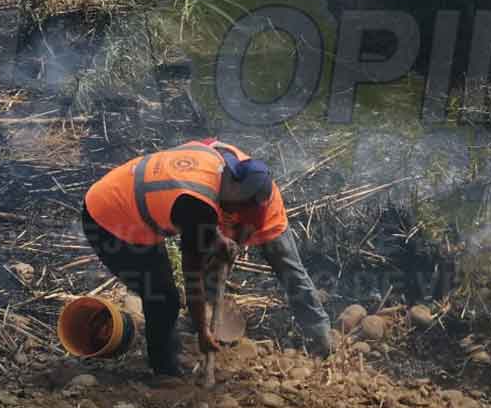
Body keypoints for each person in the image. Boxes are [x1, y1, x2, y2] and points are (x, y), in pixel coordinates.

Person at [81, 139, 253, 376]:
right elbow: (193, 277)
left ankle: (169, 347)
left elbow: (186, 203)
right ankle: (163, 370)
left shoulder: (213, 161)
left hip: (121, 196)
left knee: (163, 291)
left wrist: (216, 238)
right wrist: (203, 331)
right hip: (107, 221)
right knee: (162, 298)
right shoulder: (200, 207)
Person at [196, 138, 334, 357]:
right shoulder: (205, 165)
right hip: (220, 216)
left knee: (290, 272)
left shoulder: (259, 204)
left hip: (269, 223)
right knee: (208, 266)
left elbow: (241, 236)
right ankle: (204, 322)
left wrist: (229, 250)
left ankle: (319, 334)